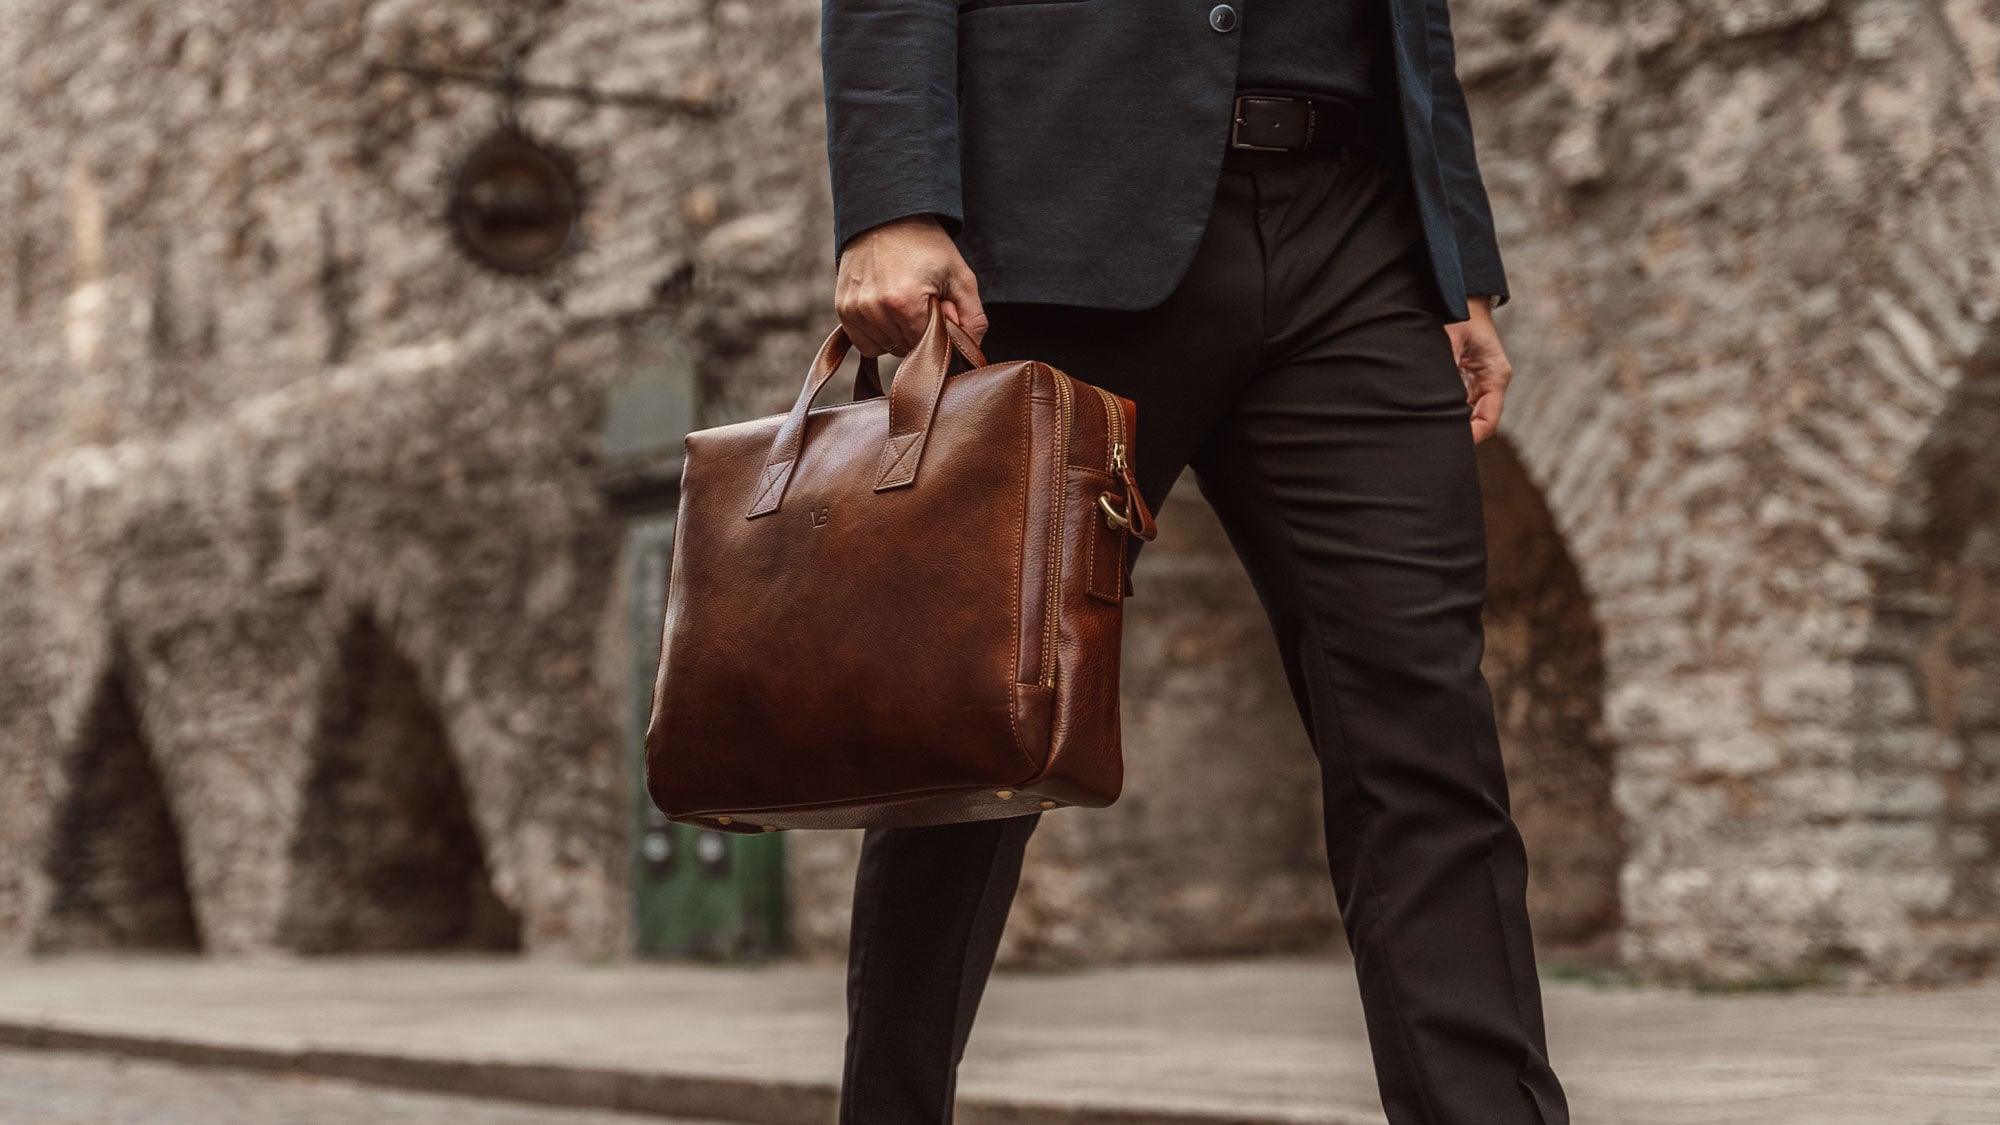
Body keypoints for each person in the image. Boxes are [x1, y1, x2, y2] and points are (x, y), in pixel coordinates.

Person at [820, 2, 1568, 1123]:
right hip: (1061, 221)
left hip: (1357, 232)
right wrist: (892, 200)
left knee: (1424, 728)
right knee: (973, 734)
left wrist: (1453, 256)